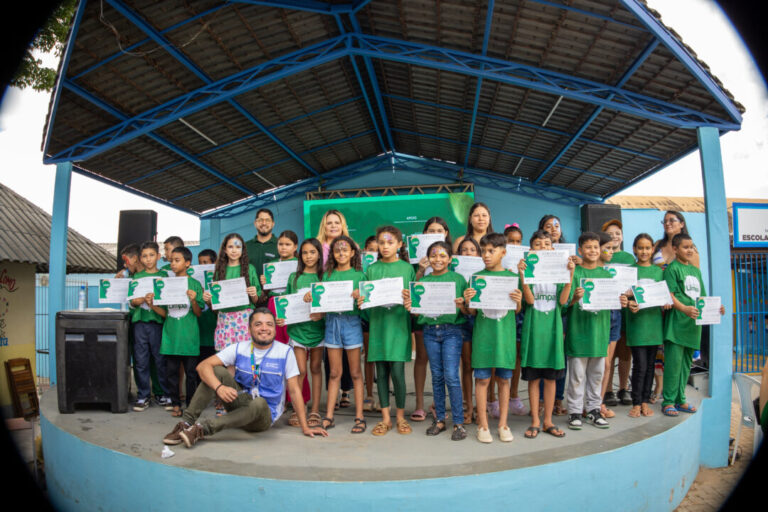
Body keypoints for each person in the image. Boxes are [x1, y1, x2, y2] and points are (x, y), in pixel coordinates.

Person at [162, 308, 327, 447]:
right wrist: (220, 388)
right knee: (217, 371)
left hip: (264, 414)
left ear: (275, 330)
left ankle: (202, 429)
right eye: (258, 324)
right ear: (249, 329)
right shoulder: (239, 348)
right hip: (239, 402)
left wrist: (305, 427)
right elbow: (202, 366)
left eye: (269, 324)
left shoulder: (285, 352)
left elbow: (294, 390)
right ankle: (186, 423)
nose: (264, 328)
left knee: (260, 402)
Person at [405, 240, 469, 441]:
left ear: (450, 259)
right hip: (430, 332)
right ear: (427, 258)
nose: (438, 259)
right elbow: (416, 315)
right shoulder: (422, 282)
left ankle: (458, 422)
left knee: (451, 375)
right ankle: (440, 419)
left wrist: (462, 305)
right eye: (433, 255)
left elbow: (467, 311)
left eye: (443, 255)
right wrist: (410, 307)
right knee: (437, 375)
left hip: (452, 331)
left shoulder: (458, 280)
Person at [463, 232, 522, 443]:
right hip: (483, 337)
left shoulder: (511, 278)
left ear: (503, 252)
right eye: (483, 251)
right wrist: (468, 302)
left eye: (491, 251)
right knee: (482, 379)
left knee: (504, 380)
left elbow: (516, 311)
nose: (486, 255)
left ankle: (503, 424)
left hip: (505, 337)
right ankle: (483, 425)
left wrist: (518, 301)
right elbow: (471, 313)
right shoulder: (476, 278)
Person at [565, 232, 627, 430]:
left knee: (597, 375)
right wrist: (575, 298)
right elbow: (565, 304)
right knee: (576, 377)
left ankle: (593, 410)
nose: (592, 251)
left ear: (600, 250)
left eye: (596, 247)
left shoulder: (607, 275)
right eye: (588, 247)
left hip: (600, 335)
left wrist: (622, 301)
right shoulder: (574, 273)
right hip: (578, 334)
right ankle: (574, 411)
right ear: (580, 250)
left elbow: (613, 303)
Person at [358, 225, 415, 436]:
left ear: (400, 245)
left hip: (399, 328)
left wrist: (410, 301)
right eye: (381, 243)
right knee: (381, 373)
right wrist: (361, 300)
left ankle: (400, 417)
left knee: (398, 374)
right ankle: (385, 419)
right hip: (379, 328)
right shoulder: (371, 270)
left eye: (390, 242)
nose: (385, 246)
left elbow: (413, 300)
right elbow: (365, 302)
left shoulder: (407, 269)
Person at [661, 234, 724, 416]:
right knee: (673, 365)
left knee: (686, 365)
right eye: (685, 247)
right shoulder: (672, 269)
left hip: (693, 326)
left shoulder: (696, 271)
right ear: (675, 249)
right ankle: (668, 401)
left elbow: (702, 298)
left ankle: (680, 399)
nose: (689, 250)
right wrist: (684, 309)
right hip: (676, 325)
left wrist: (716, 308)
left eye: (691, 247)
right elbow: (670, 295)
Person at [518, 230, 572, 439]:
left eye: (547, 244)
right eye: (538, 244)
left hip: (553, 333)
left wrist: (569, 276)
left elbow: (563, 301)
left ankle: (548, 421)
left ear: (553, 248)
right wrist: (523, 277)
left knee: (550, 379)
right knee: (534, 379)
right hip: (533, 332)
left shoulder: (560, 271)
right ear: (531, 250)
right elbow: (530, 301)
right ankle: (535, 421)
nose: (543, 247)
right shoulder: (527, 272)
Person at [320, 235, 367, 433]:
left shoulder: (360, 275)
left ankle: (360, 416)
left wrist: (360, 299)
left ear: (353, 253)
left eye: (345, 250)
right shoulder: (327, 275)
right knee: (334, 372)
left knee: (355, 372)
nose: (341, 253)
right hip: (332, 324)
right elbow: (320, 302)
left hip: (352, 323)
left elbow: (366, 307)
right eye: (337, 250)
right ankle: (329, 415)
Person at [279, 238, 325, 428]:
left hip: (318, 331)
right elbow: (288, 303)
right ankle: (300, 408)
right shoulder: (294, 277)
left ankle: (315, 409)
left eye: (312, 252)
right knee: (300, 370)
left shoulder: (324, 277)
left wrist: (320, 314)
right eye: (305, 253)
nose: (308, 256)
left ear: (319, 254)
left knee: (315, 368)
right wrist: (284, 317)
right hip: (298, 331)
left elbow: (328, 303)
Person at [411, 217, 452, 422]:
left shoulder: (451, 257)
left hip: (447, 319)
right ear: (424, 234)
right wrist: (420, 269)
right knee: (422, 359)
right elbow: (414, 288)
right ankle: (419, 404)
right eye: (430, 231)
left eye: (439, 230)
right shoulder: (415, 258)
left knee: (445, 364)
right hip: (425, 318)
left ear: (445, 233)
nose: (435, 233)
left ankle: (439, 404)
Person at [625, 234, 668, 418]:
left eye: (647, 248)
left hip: (654, 326)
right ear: (634, 249)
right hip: (637, 326)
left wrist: (665, 303)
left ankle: (644, 401)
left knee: (651, 366)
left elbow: (664, 296)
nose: (644, 251)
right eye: (640, 248)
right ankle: (635, 402)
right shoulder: (629, 271)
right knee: (640, 366)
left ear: (652, 250)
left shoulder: (659, 272)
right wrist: (628, 301)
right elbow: (623, 297)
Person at [538, 214, 576, 416]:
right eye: (548, 226)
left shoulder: (568, 256)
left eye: (556, 226)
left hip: (560, 313)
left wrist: (573, 266)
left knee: (558, 356)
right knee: (542, 355)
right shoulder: (534, 256)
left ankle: (558, 399)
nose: (553, 229)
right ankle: (543, 400)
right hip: (540, 312)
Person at [315, 209, 354, 408]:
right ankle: (333, 391)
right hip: (324, 304)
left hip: (346, 305)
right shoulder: (317, 246)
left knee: (347, 350)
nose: (332, 226)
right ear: (324, 225)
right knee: (329, 350)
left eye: (336, 222)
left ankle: (345, 391)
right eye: (329, 222)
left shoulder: (350, 245)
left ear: (342, 225)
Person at [160, 246, 204, 416]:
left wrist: (193, 300)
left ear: (187, 263)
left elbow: (199, 313)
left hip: (189, 337)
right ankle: (175, 403)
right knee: (171, 373)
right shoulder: (166, 285)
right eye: (171, 260)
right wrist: (151, 305)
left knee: (191, 374)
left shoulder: (194, 284)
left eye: (177, 260)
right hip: (171, 337)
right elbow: (165, 313)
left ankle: (191, 406)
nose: (172, 264)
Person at [129, 241, 171, 412]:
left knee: (160, 360)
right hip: (140, 324)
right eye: (144, 256)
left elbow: (168, 300)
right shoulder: (137, 277)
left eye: (151, 255)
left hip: (159, 323)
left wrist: (155, 301)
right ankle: (143, 395)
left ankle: (162, 394)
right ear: (140, 258)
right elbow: (132, 301)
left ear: (158, 257)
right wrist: (142, 299)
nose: (148, 259)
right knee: (140, 361)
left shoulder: (165, 276)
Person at [203, 234, 261, 352]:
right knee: (227, 357)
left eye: (238, 247)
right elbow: (215, 304)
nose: (234, 250)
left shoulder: (250, 269)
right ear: (224, 249)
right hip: (225, 319)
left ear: (242, 249)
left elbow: (256, 301)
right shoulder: (219, 270)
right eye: (230, 247)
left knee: (245, 355)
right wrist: (209, 299)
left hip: (245, 317)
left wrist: (254, 293)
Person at [601, 219, 634, 408]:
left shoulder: (630, 258)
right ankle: (607, 391)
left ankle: (623, 388)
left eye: (618, 233)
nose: (615, 236)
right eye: (610, 233)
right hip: (607, 312)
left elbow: (634, 286)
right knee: (608, 355)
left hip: (625, 312)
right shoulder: (602, 256)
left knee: (624, 354)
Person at [456, 237, 481, 424]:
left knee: (484, 366)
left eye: (472, 250)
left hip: (483, 322)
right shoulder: (455, 276)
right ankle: (468, 406)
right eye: (464, 250)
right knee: (466, 365)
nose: (468, 253)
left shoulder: (484, 273)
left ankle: (483, 406)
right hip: (464, 320)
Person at [504, 223, 527, 417]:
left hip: (519, 313)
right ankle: (493, 398)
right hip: (502, 313)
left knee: (517, 356)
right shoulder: (498, 261)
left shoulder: (526, 263)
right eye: (511, 241)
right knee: (500, 357)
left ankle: (514, 395)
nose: (514, 244)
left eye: (518, 241)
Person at [598, 231, 619, 419]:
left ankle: (599, 402)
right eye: (607, 248)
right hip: (598, 319)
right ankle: (589, 403)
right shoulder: (589, 271)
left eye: (612, 248)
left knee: (607, 365)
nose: (610, 252)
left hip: (615, 316)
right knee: (599, 363)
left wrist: (626, 298)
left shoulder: (614, 272)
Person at [361, 235, 378, 412]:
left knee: (384, 358)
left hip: (382, 317)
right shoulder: (361, 268)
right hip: (366, 316)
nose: (374, 253)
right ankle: (369, 394)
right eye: (370, 250)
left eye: (377, 250)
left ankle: (382, 394)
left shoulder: (385, 268)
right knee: (369, 357)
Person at [196, 249, 218, 362]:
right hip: (199, 332)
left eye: (205, 262)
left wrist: (209, 300)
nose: (202, 265)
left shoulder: (219, 280)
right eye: (200, 263)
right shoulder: (195, 282)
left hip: (213, 332)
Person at [245, 208, 279, 279]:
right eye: (260, 220)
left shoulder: (281, 245)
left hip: (274, 290)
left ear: (273, 224)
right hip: (251, 289)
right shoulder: (245, 246)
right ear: (255, 223)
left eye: (267, 220)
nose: (264, 223)